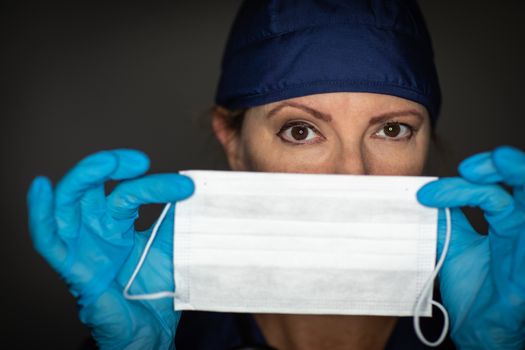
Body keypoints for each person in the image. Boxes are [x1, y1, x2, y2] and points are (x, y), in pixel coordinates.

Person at [26, 1, 525, 349]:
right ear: (234, 145)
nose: (352, 175)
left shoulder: (480, 320)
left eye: (391, 129)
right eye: (300, 131)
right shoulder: (173, 332)